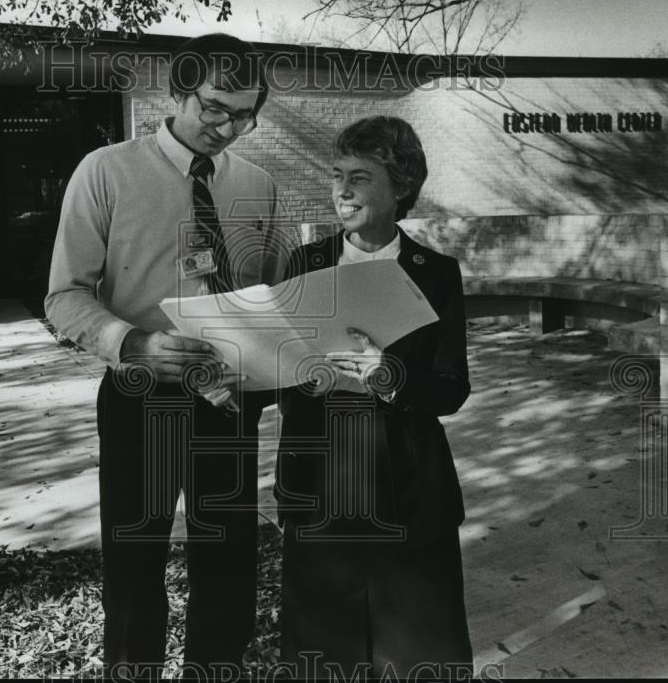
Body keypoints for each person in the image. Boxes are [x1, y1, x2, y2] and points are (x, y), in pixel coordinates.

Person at [45, 33, 284, 679]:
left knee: (229, 558)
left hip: (229, 399)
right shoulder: (105, 170)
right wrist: (135, 344)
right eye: (213, 107)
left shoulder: (258, 186)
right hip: (138, 396)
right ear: (179, 90)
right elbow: (63, 297)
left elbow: (269, 295)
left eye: (243, 114)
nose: (227, 127)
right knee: (134, 563)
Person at [274, 115, 474, 679]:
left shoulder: (436, 273)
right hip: (319, 480)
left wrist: (390, 376)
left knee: (419, 654)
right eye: (336, 175)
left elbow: (451, 386)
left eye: (359, 177)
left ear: (401, 185)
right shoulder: (305, 264)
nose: (341, 190)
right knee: (323, 654)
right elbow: (280, 369)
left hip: (409, 487)